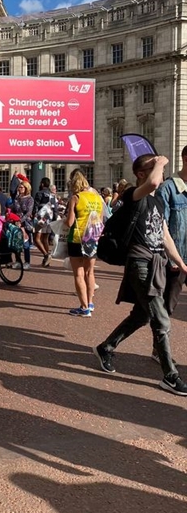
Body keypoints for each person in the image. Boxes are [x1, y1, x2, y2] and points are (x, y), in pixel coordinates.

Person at [93, 155, 187, 396]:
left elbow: (164, 235)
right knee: (161, 319)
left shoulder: (157, 203)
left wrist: (181, 263)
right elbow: (155, 183)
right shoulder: (134, 194)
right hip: (140, 263)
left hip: (156, 263)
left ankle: (106, 347)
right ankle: (170, 375)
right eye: (153, 168)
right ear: (141, 174)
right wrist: (161, 162)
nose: (161, 172)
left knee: (141, 316)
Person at [154, 143, 187, 360]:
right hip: (176, 258)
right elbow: (161, 226)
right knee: (167, 307)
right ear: (186, 159)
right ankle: (159, 350)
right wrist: (173, 257)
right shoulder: (168, 188)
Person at [65, 170, 103, 316]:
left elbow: (69, 222)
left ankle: (84, 306)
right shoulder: (97, 198)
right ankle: (91, 302)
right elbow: (99, 220)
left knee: (78, 273)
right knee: (90, 272)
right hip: (93, 238)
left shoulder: (76, 198)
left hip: (77, 238)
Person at [33, 177, 58, 266]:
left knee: (36, 239)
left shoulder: (39, 193)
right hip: (49, 218)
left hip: (41, 218)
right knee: (45, 239)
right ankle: (46, 261)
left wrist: (34, 215)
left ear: (42, 184)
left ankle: (46, 255)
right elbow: (55, 208)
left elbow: (35, 206)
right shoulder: (52, 195)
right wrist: (54, 219)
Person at [11, 180, 34, 270]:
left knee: (25, 244)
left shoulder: (30, 199)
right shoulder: (17, 198)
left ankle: (27, 262)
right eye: (19, 187)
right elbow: (14, 209)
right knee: (17, 243)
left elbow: (29, 212)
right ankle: (18, 261)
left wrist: (21, 220)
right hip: (16, 222)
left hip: (25, 223)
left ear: (26, 188)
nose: (19, 189)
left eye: (21, 187)